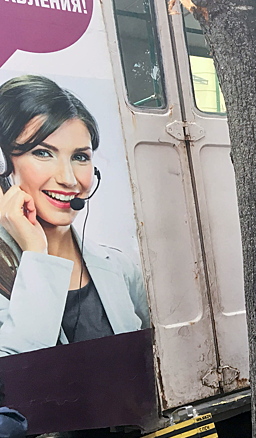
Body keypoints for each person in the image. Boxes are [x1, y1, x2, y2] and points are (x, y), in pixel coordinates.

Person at [0, 75, 149, 356]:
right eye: (43, 152)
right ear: (3, 164)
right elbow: (16, 376)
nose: (69, 179)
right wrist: (37, 254)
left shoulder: (120, 267)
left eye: (80, 157)